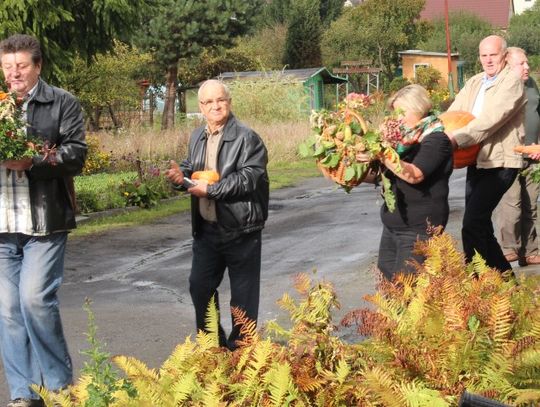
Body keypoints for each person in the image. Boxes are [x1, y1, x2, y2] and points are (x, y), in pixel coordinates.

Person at [0, 34, 87, 407]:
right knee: (9, 311)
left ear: (37, 66)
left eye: (21, 66)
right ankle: (24, 394)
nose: (13, 73)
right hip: (3, 226)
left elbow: (76, 154)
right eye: (7, 67)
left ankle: (58, 387)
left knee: (35, 300)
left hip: (44, 224)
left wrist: (33, 162)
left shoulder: (61, 102)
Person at [166, 79, 269, 350]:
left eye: (220, 100)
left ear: (229, 102)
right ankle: (213, 346)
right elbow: (191, 168)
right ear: (200, 106)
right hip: (207, 230)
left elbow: (249, 178)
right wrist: (180, 177)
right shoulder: (197, 136)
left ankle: (242, 354)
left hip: (241, 229)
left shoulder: (247, 138)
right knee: (199, 287)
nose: (215, 106)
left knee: (243, 298)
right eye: (209, 102)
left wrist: (211, 190)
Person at [446, 35, 526, 273]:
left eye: (493, 55)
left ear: (503, 56)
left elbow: (491, 119)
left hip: (501, 163)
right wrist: (435, 133)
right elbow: (453, 113)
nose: (488, 60)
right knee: (477, 225)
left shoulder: (511, 82)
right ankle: (501, 284)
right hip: (476, 160)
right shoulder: (475, 82)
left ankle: (482, 282)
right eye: (484, 55)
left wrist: (455, 139)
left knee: (473, 222)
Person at [358, 84, 453, 280]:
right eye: (395, 113)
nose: (397, 118)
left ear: (418, 109)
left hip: (419, 229)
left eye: (402, 112)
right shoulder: (401, 144)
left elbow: (415, 174)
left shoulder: (436, 140)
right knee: (388, 290)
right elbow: (381, 175)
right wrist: (352, 175)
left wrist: (383, 154)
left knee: (408, 292)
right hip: (393, 226)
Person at [495, 47, 540, 267]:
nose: (527, 67)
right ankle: (508, 248)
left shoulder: (531, 84)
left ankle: (530, 251)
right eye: (521, 64)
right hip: (509, 155)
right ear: (507, 66)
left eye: (527, 62)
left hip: (534, 155)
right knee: (512, 203)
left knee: (532, 204)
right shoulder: (499, 87)